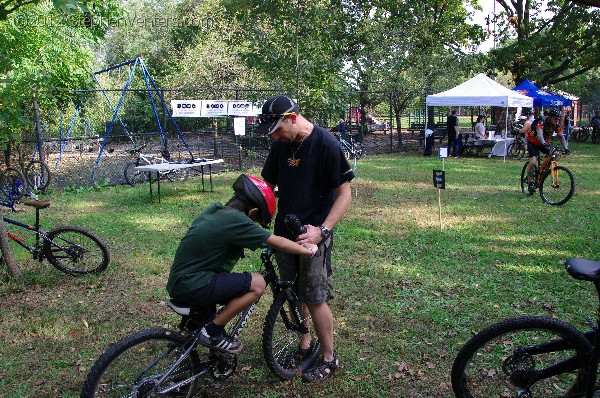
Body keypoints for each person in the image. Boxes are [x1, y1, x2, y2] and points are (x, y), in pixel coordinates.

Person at [257, 95, 354, 382]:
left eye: (277, 128)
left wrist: (321, 231)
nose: (274, 135)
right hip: (285, 234)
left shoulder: (326, 145)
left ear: (293, 118)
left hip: (313, 238)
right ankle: (305, 341)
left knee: (314, 296)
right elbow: (268, 186)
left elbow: (344, 195)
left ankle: (329, 357)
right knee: (292, 291)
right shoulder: (280, 146)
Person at [166, 173, 318, 354]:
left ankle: (195, 352)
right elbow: (274, 241)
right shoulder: (237, 220)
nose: (253, 225)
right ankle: (213, 331)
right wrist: (307, 249)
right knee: (258, 283)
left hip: (181, 282)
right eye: (256, 221)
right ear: (253, 212)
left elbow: (253, 237)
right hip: (195, 284)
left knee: (213, 310)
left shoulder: (215, 211)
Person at [525, 108, 570, 194]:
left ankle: (543, 171)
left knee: (555, 154)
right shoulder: (541, 123)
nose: (557, 120)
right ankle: (530, 182)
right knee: (533, 162)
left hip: (544, 143)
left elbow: (561, 136)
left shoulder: (557, 125)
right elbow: (539, 134)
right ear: (550, 117)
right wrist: (544, 143)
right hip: (533, 142)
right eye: (555, 118)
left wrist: (566, 148)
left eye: (558, 118)